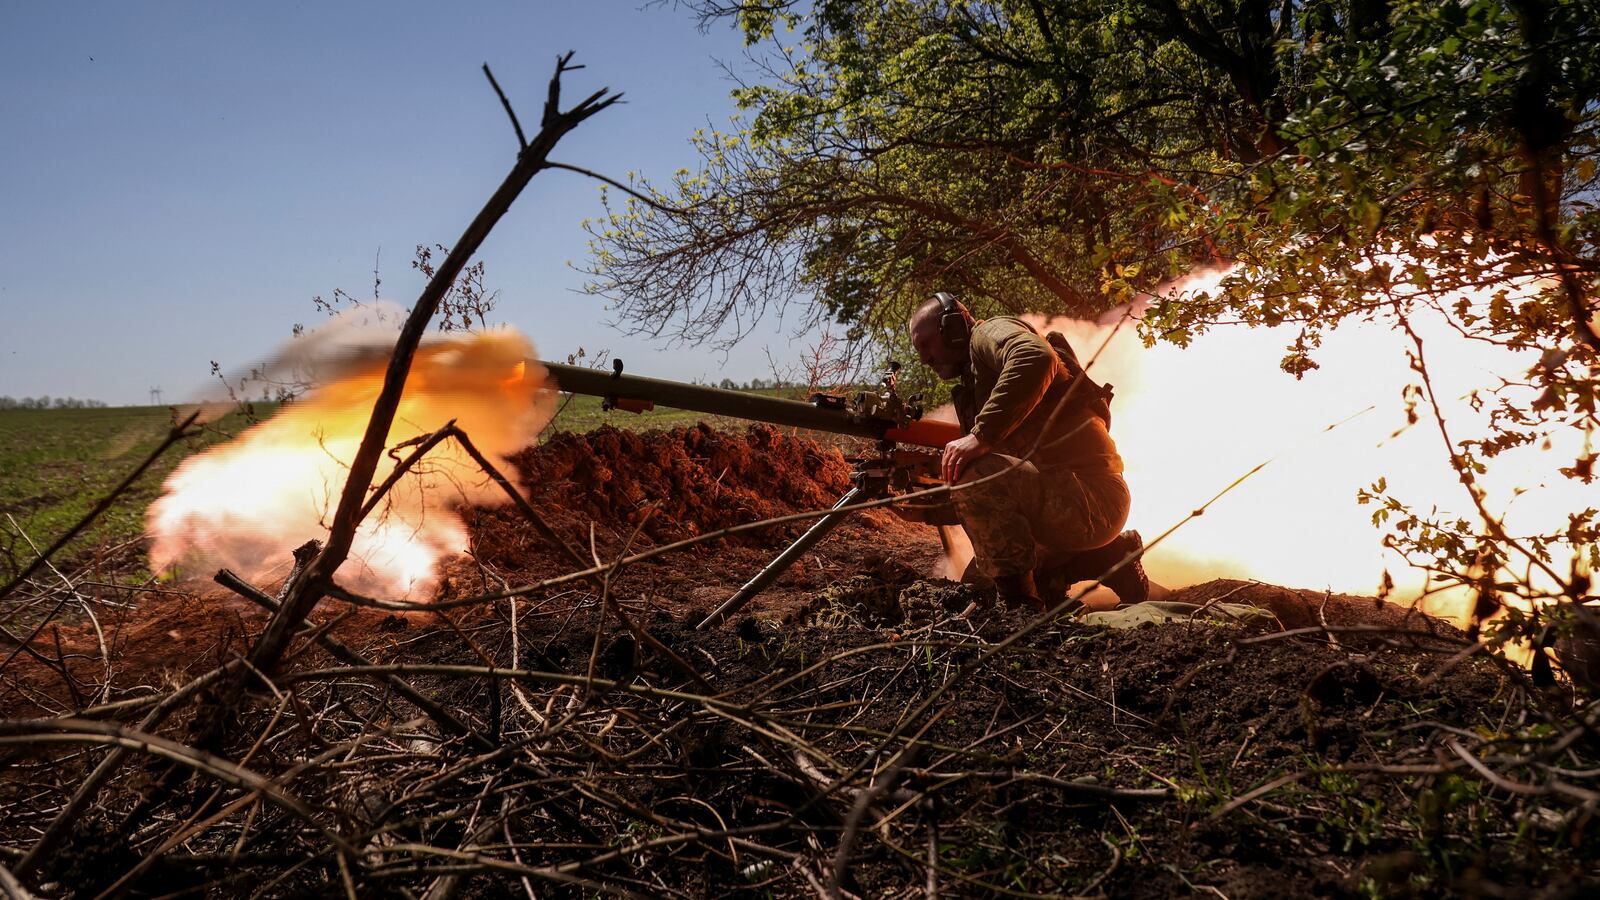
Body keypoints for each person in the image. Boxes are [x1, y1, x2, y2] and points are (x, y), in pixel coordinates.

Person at [907, 292, 1148, 610]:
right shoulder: (978, 384)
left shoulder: (987, 334)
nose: (925, 358)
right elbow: (992, 504)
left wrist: (980, 436)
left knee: (977, 477)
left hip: (1092, 499)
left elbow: (1037, 357)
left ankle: (1021, 613)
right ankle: (1109, 556)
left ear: (954, 326)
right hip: (1067, 502)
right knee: (979, 588)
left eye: (926, 344)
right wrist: (921, 504)